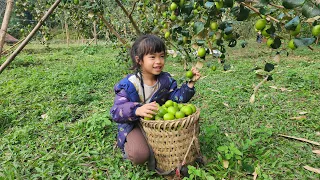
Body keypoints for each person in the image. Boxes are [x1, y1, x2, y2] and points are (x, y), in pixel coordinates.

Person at [110, 34, 201, 165]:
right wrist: (137, 110)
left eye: (162, 56)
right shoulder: (129, 85)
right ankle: (127, 147)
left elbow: (176, 99)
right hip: (134, 124)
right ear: (139, 60)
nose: (158, 61)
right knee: (139, 155)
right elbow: (116, 111)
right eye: (152, 57)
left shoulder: (165, 80)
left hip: (157, 123)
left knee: (176, 144)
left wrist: (190, 84)